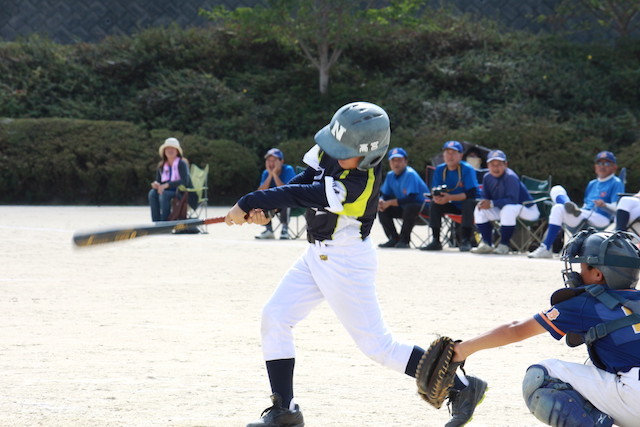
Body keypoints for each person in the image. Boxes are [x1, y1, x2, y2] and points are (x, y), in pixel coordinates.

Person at [224, 102, 487, 427]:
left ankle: (461, 388)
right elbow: (309, 176)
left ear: (369, 156)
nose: (333, 152)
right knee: (275, 317)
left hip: (345, 261)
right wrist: (268, 209)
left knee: (378, 345)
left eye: (341, 150)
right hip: (316, 253)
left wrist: (250, 202)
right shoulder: (337, 145)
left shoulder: (360, 184)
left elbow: (306, 194)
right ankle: (285, 410)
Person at [453, 229, 640, 427]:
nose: (577, 272)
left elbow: (516, 329)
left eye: (583, 266)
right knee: (592, 365)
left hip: (634, 400)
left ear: (597, 274)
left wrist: (462, 349)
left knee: (541, 376)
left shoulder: (588, 302)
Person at [529, 151, 625, 258]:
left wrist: (605, 205)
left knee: (562, 208)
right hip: (584, 214)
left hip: (601, 218)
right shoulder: (592, 183)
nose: (602, 166)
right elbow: (586, 203)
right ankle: (546, 248)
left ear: (614, 167)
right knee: (557, 199)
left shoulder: (616, 182)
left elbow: (618, 208)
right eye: (599, 163)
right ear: (595, 166)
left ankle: (570, 208)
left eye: (607, 163)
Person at [471, 149, 540, 255]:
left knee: (509, 208)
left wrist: (491, 203)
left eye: (499, 164)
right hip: (504, 210)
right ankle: (486, 244)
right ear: (487, 165)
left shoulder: (510, 177)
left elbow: (512, 200)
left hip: (528, 210)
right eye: (492, 164)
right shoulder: (487, 177)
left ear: (506, 164)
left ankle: (504, 245)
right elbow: (485, 197)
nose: (495, 167)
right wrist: (483, 203)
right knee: (479, 209)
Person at [420, 140, 480, 252]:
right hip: (452, 203)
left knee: (468, 203)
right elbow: (435, 190)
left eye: (453, 153)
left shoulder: (467, 169)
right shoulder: (440, 169)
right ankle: (436, 240)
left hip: (471, 205)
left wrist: (449, 198)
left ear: (461, 155)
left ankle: (465, 240)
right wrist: (438, 198)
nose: (450, 156)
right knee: (434, 204)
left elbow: (471, 193)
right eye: (447, 153)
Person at [377, 147, 430, 249]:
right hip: (405, 210)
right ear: (389, 162)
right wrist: (382, 201)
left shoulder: (410, 174)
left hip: (425, 209)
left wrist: (391, 202)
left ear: (405, 161)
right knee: (383, 208)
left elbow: (412, 197)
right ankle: (393, 238)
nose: (396, 163)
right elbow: (386, 194)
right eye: (393, 160)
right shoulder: (390, 175)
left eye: (399, 160)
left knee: (411, 206)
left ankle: (404, 240)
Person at [254, 148, 297, 240]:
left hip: (292, 202)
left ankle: (284, 230)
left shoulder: (288, 169)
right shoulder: (266, 172)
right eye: (269, 160)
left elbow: (286, 190)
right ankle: (269, 230)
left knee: (285, 197)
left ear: (281, 161)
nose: (271, 163)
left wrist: (275, 175)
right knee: (261, 198)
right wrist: (270, 175)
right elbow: (260, 191)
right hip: (274, 204)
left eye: (274, 160)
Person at [148, 137, 192, 222]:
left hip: (180, 192)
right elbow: (159, 181)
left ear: (177, 151)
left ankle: (165, 222)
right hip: (165, 190)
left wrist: (167, 185)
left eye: (173, 149)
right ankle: (156, 221)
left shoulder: (182, 163)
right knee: (152, 193)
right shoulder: (161, 165)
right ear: (164, 151)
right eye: (167, 149)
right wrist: (156, 184)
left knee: (164, 194)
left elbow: (185, 181)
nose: (170, 150)